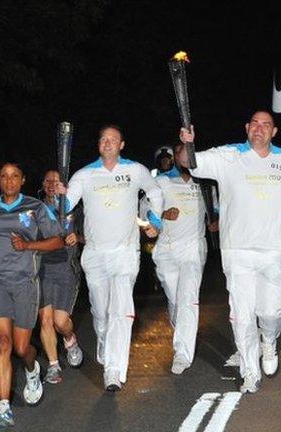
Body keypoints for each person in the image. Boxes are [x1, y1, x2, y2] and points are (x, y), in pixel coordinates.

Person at [178, 111, 281, 393]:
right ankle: (250, 371)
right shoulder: (228, 156)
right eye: (254, 124)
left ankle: (269, 342)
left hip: (273, 248)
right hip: (236, 249)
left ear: (274, 132)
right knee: (241, 313)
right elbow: (190, 163)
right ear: (247, 128)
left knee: (272, 313)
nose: (259, 129)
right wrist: (187, 144)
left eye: (266, 125)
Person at [57, 124, 163, 391]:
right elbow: (64, 208)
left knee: (121, 311)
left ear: (122, 144)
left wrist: (155, 219)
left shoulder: (135, 170)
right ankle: (103, 337)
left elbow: (155, 192)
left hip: (125, 252)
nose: (107, 143)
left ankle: (114, 371)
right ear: (98, 144)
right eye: (103, 139)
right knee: (101, 312)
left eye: (113, 139)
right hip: (94, 253)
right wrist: (59, 196)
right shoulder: (84, 175)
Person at [0, 162, 63, 428]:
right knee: (4, 343)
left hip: (24, 284)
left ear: (22, 180)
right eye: (4, 176)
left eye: (15, 176)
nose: (9, 181)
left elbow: (57, 240)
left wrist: (28, 245)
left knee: (22, 349)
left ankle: (33, 370)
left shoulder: (35, 207)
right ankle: (3, 406)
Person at [152, 141, 217, 375]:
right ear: (174, 157)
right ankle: (179, 327)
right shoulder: (162, 182)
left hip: (193, 249)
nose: (185, 158)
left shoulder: (205, 183)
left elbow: (216, 209)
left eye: (189, 154)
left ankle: (182, 353)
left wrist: (215, 221)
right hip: (167, 250)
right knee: (176, 302)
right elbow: (145, 210)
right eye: (180, 154)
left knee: (188, 299)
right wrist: (162, 214)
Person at [37, 170, 84, 384]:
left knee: (60, 321)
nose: (51, 184)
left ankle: (69, 339)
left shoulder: (75, 208)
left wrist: (79, 237)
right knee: (45, 320)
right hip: (42, 270)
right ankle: (53, 365)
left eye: (56, 181)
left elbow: (91, 233)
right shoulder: (34, 210)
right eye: (48, 180)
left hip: (67, 269)